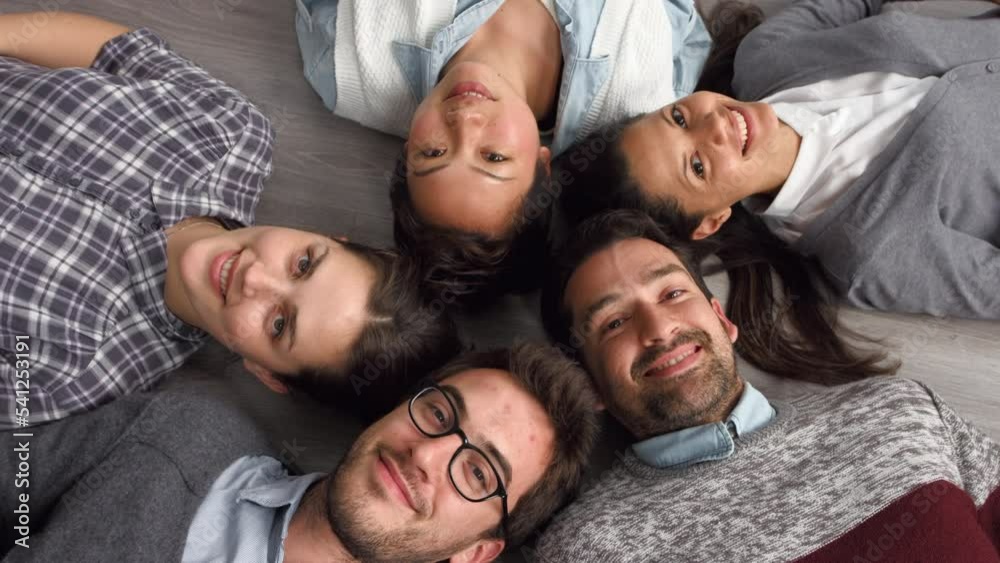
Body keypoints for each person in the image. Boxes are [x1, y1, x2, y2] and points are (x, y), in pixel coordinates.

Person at [0, 12, 459, 428]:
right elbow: (118, 52)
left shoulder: (80, 372)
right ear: (325, 237)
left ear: (267, 375)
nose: (255, 277)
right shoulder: (232, 131)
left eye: (279, 324)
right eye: (303, 264)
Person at [538, 210, 1000, 562]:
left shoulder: (898, 409)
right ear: (587, 383)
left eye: (673, 294)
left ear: (722, 319)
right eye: (614, 322)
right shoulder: (588, 546)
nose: (659, 329)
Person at [555, 0, 1000, 319]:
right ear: (711, 220)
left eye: (678, 117)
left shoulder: (765, 55)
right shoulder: (872, 252)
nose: (714, 126)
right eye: (697, 167)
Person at [0, 343, 600, 563]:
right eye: (440, 414)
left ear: (476, 554)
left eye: (477, 470)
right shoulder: (183, 433)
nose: (426, 454)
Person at [295, 0, 713, 302]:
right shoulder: (645, 93)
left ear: (407, 152)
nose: (465, 121)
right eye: (494, 157)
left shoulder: (343, 62)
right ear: (542, 165)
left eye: (434, 152)